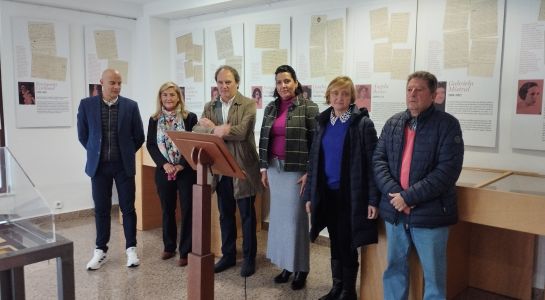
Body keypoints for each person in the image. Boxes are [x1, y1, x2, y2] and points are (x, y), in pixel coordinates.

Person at [373, 71, 464, 299]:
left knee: (434, 276)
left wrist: (408, 197)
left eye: (419, 89)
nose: (412, 94)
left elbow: (447, 172)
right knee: (394, 268)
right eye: (409, 89)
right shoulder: (393, 123)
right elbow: (378, 160)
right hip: (396, 211)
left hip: (430, 213)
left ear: (433, 95)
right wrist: (396, 195)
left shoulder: (448, 125)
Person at [303, 76, 379, 300]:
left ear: (351, 98)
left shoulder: (362, 124)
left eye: (345, 94)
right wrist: (310, 194)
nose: (339, 98)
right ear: (329, 96)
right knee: (335, 240)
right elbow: (313, 161)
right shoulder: (323, 122)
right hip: (328, 193)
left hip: (351, 195)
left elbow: (373, 164)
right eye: (335, 93)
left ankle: (348, 292)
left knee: (347, 242)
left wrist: (373, 199)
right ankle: (336, 287)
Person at [193, 65, 261, 277]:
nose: (224, 86)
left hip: (243, 168)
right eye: (220, 82)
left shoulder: (248, 104)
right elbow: (197, 129)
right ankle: (229, 255)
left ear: (237, 83)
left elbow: (241, 132)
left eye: (228, 82)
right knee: (225, 215)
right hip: (221, 169)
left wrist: (212, 128)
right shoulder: (210, 105)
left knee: (248, 216)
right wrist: (216, 129)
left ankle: (249, 259)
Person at [77, 69, 145, 270]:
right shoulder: (87, 105)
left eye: (119, 83)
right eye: (112, 82)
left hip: (123, 166)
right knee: (101, 209)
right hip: (98, 167)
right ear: (101, 83)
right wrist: (96, 153)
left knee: (128, 208)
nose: (116, 86)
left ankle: (131, 249)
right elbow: (83, 135)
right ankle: (100, 250)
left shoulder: (131, 106)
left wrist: (125, 152)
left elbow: (139, 136)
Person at [258, 65, 319, 290]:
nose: (283, 86)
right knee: (280, 221)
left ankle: (301, 268)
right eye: (279, 82)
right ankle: (286, 265)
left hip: (297, 171)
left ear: (295, 82)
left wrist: (310, 172)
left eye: (287, 81)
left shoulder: (309, 107)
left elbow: (316, 144)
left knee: (296, 221)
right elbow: (263, 138)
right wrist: (263, 167)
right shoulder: (271, 108)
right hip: (275, 168)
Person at [146, 82, 197, 267]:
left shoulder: (190, 117)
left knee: (187, 210)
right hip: (164, 170)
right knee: (167, 209)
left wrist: (182, 164)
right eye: (165, 95)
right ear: (160, 98)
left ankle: (185, 250)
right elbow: (150, 144)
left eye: (172, 95)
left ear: (178, 97)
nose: (169, 98)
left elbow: (193, 143)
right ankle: (169, 246)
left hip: (186, 171)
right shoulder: (154, 119)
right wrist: (164, 164)